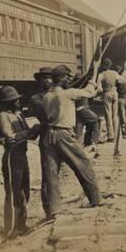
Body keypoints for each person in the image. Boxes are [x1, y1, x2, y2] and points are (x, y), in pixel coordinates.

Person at [41, 64, 102, 218]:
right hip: (64, 134)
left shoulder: (46, 96)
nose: (69, 79)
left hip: (49, 135)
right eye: (67, 76)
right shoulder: (68, 94)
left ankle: (53, 210)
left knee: (51, 174)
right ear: (60, 78)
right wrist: (93, 77)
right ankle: (96, 199)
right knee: (83, 164)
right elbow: (90, 92)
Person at [0, 86, 41, 238]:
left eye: (17, 100)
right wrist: (31, 131)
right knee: (13, 192)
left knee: (24, 191)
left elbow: (30, 136)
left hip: (22, 155)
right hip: (12, 157)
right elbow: (10, 137)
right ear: (6, 103)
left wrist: (38, 129)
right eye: (13, 101)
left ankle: (21, 224)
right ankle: (10, 229)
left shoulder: (20, 115)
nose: (17, 102)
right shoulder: (3, 116)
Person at [30, 67, 54, 217]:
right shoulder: (36, 99)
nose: (47, 80)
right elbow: (45, 117)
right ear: (39, 80)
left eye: (49, 77)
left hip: (61, 135)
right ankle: (49, 210)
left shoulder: (58, 94)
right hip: (46, 135)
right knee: (47, 173)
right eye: (43, 78)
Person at [73, 74, 100, 153]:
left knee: (79, 130)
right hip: (82, 109)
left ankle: (80, 148)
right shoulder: (80, 90)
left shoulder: (76, 89)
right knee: (95, 120)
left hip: (79, 111)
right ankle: (93, 142)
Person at [98, 58, 124, 142]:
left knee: (108, 115)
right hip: (115, 93)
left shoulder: (101, 74)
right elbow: (121, 80)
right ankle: (116, 135)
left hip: (107, 93)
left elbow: (99, 88)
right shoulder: (114, 73)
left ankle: (111, 136)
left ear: (104, 65)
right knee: (115, 115)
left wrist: (102, 91)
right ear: (110, 65)